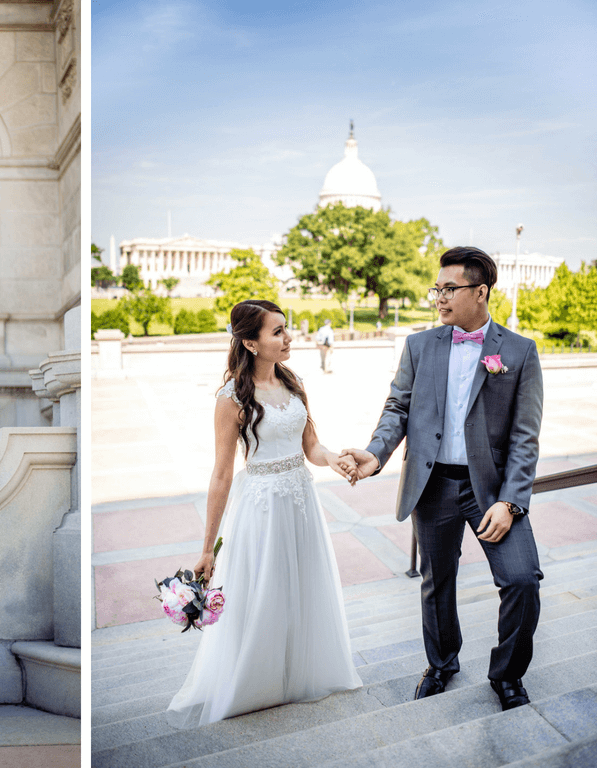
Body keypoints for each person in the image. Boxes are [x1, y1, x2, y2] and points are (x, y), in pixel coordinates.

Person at [342, 246, 543, 711]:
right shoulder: (418, 345)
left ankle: (508, 674)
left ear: (481, 291)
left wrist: (510, 501)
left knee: (522, 580)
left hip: (490, 491)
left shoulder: (518, 351)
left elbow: (525, 438)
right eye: (437, 288)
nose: (439, 297)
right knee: (437, 582)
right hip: (431, 486)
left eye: (449, 288)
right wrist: (375, 454)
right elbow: (398, 408)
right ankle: (441, 663)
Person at [166, 300, 362, 729]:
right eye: (277, 332)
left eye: (286, 329)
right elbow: (221, 475)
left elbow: (312, 446)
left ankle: (297, 674)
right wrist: (207, 549)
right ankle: (258, 684)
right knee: (264, 591)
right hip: (260, 508)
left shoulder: (295, 382)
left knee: (301, 585)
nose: (287, 337)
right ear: (251, 342)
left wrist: (336, 459)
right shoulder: (231, 398)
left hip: (301, 503)